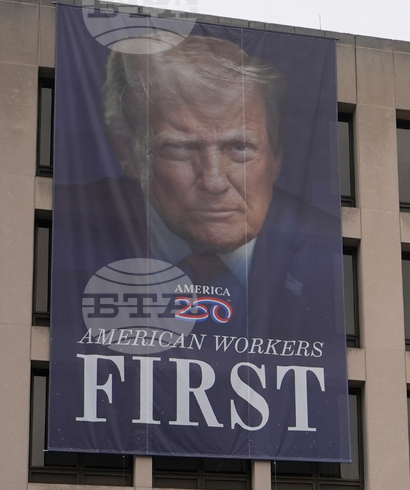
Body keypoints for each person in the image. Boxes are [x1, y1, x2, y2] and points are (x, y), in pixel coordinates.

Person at [56, 32, 343, 340]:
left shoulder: (332, 255)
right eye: (180, 148)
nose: (214, 181)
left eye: (240, 148)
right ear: (128, 152)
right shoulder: (66, 231)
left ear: (276, 157)